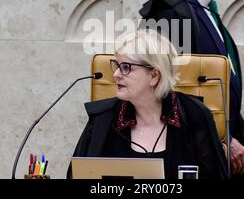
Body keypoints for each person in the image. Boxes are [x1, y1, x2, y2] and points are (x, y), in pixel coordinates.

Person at [139, 0, 244, 178]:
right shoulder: (169, 12)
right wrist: (221, 140)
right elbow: (169, 92)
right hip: (195, 159)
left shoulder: (200, 8)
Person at [67, 29, 229, 179]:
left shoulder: (194, 114)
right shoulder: (103, 118)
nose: (115, 75)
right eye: (116, 66)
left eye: (125, 67)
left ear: (154, 75)